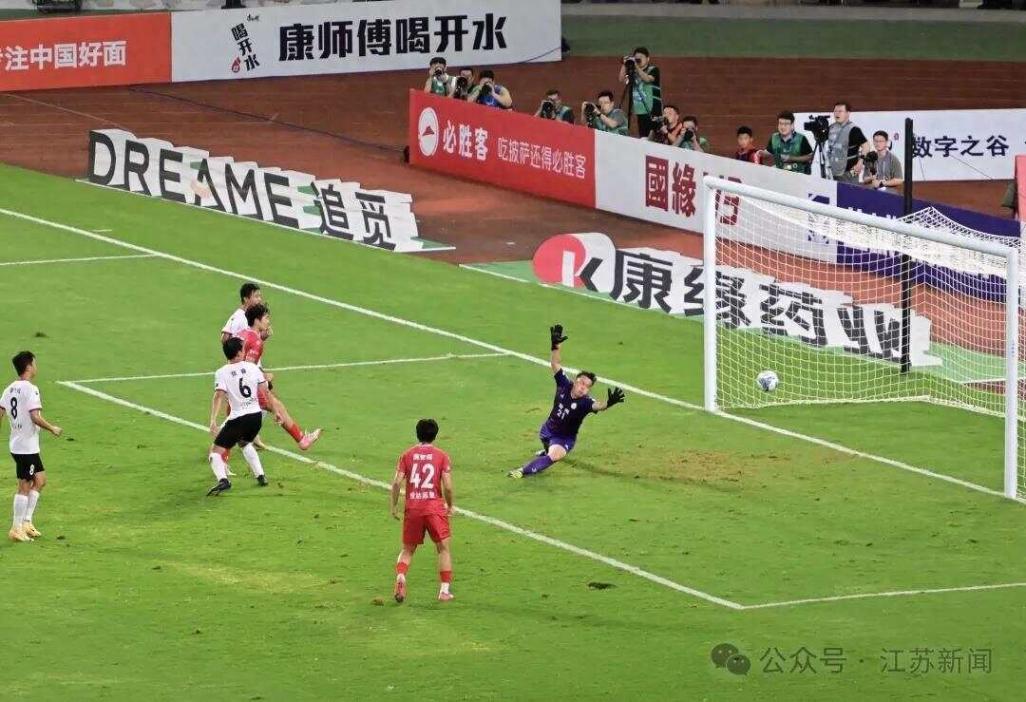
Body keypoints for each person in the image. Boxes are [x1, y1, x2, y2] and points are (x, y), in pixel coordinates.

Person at [508, 325, 625, 479]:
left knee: (554, 456)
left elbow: (598, 406)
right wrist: (556, 345)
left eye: (587, 386)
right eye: (582, 383)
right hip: (547, 430)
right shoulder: (564, 384)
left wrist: (609, 403)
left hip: (563, 438)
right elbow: (555, 364)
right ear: (576, 381)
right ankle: (546, 450)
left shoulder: (585, 403)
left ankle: (522, 471)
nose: (583, 387)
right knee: (548, 449)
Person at [237, 304, 322, 452]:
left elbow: (239, 362)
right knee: (276, 408)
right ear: (256, 320)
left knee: (234, 420)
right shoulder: (256, 342)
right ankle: (302, 440)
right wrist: (265, 376)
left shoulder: (241, 334)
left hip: (234, 383)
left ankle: (225, 449)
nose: (268, 321)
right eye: (266, 318)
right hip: (248, 386)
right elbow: (249, 369)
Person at [390, 418, 454, 603]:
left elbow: (396, 483)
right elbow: (448, 486)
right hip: (434, 508)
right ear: (435, 435)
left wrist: (394, 506)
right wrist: (450, 505)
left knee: (408, 550)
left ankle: (401, 575)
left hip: (413, 508)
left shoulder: (406, 455)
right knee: (443, 549)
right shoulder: (441, 456)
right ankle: (444, 591)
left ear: (417, 434)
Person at [2, 352, 62, 543]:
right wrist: (52, 428)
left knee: (40, 480)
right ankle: (16, 528)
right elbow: (35, 416)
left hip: (20, 444)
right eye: (34, 363)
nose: (36, 366)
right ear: (28, 366)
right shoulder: (31, 389)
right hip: (25, 447)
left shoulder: (9, 389)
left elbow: (1, 413)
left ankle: (26, 522)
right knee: (25, 485)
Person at [206, 338, 269, 495]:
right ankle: (261, 476)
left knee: (214, 453)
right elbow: (264, 390)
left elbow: (218, 396)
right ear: (240, 352)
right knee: (244, 442)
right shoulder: (252, 367)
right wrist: (277, 412)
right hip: (256, 417)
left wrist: (213, 420)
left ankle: (223, 480)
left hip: (238, 418)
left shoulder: (221, 372)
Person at [618, 47, 662, 138]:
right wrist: (624, 64)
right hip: (640, 109)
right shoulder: (632, 72)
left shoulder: (653, 70)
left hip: (653, 109)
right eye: (636, 58)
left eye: (641, 57)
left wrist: (636, 67)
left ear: (648, 59)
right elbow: (621, 79)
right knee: (643, 137)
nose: (638, 60)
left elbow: (647, 79)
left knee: (655, 136)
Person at [827, 102, 869, 183]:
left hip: (850, 172)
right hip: (833, 172)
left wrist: (860, 163)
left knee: (851, 190)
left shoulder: (854, 129)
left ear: (848, 113)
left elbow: (866, 146)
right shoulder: (831, 127)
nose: (837, 113)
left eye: (840, 111)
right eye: (835, 111)